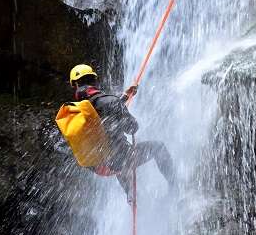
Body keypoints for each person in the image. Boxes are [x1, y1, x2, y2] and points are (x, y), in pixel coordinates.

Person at [69, 64, 178, 201]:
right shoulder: (110, 102)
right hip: (117, 161)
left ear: (75, 85)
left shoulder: (78, 109)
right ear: (95, 81)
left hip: (96, 165)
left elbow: (103, 110)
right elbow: (132, 127)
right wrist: (121, 110)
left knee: (113, 149)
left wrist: (125, 97)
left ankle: (130, 193)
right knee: (158, 147)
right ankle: (176, 187)